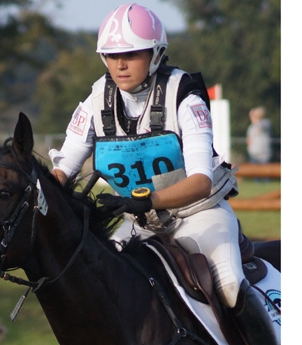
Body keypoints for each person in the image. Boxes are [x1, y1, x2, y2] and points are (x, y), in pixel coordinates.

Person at [48, 4, 277, 344]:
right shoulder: (94, 100)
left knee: (229, 285)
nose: (120, 65)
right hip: (139, 224)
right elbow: (63, 170)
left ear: (156, 55)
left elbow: (200, 182)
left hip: (200, 215)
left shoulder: (186, 98)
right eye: (111, 56)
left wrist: (145, 200)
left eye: (131, 54)